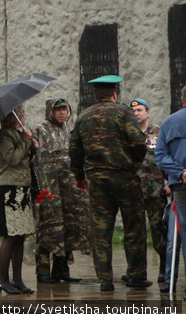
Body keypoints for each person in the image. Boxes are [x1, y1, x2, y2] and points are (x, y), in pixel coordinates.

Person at [70, 75, 150, 292]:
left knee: (101, 229)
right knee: (134, 226)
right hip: (124, 177)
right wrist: (134, 162)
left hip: (97, 180)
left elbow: (75, 150)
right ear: (114, 93)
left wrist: (79, 175)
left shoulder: (83, 117)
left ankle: (105, 279)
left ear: (95, 94)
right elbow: (138, 141)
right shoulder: (124, 112)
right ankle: (136, 275)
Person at [32, 98, 90, 284]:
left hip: (67, 189)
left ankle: (61, 269)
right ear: (51, 111)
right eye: (58, 110)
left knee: (67, 226)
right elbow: (34, 160)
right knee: (46, 227)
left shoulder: (68, 130)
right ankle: (42, 270)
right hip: (48, 190)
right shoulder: (40, 130)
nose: (62, 113)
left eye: (65, 109)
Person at [0, 106, 38, 295]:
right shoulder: (4, 135)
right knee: (11, 234)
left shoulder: (18, 133)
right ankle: (3, 278)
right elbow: (12, 159)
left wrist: (32, 147)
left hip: (23, 187)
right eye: (23, 113)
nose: (25, 116)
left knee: (21, 235)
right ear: (15, 116)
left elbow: (26, 160)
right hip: (10, 189)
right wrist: (24, 141)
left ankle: (18, 279)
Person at [132, 98, 170, 283]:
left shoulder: (158, 133)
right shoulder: (128, 135)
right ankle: (136, 271)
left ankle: (164, 269)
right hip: (135, 192)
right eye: (134, 111)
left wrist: (170, 182)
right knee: (135, 234)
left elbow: (167, 158)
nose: (137, 113)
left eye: (140, 110)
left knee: (158, 231)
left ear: (148, 112)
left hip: (156, 191)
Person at [153, 86, 186, 287]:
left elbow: (160, 155)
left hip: (181, 186)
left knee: (181, 232)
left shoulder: (169, 122)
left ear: (182, 100)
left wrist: (180, 172)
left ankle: (170, 279)